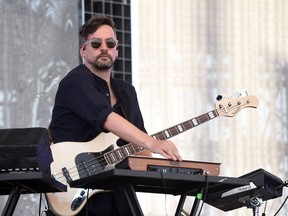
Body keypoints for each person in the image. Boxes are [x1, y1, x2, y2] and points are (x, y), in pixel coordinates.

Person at [49, 15, 182, 216]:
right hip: (78, 187)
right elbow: (107, 119)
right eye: (96, 43)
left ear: (117, 51)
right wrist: (154, 143)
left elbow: (142, 149)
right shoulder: (75, 81)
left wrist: (171, 162)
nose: (104, 47)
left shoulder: (127, 92)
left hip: (118, 188)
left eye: (110, 43)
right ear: (83, 51)